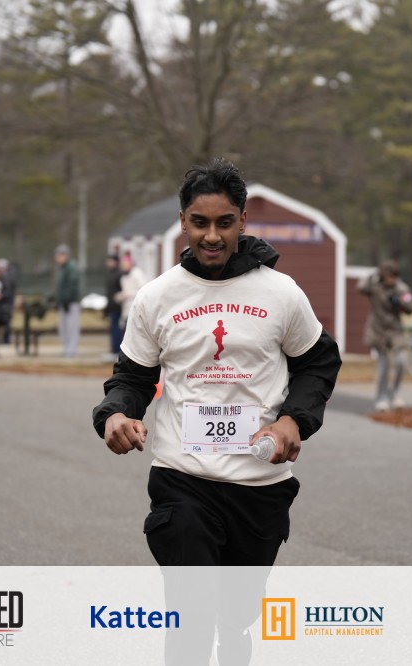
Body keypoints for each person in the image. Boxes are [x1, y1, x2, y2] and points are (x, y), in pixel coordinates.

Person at [91, 158, 341, 664]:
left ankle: (234, 634)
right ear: (183, 221)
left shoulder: (280, 293)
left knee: (235, 612)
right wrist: (114, 414)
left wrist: (293, 420)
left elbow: (318, 362)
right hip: (183, 478)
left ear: (242, 221)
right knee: (190, 613)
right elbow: (132, 378)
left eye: (224, 222)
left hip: (259, 485)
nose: (211, 236)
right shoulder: (157, 298)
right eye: (199, 222)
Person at [358, 259, 412, 411]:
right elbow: (361, 287)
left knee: (401, 362)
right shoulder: (375, 287)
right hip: (378, 330)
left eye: (394, 276)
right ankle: (381, 397)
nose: (392, 279)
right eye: (389, 276)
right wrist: (374, 275)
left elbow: (410, 308)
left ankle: (395, 393)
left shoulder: (401, 288)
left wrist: (400, 303)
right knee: (384, 365)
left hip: (395, 330)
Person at [53, 244, 81, 358]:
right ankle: (66, 348)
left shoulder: (71, 267)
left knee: (71, 327)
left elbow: (72, 286)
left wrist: (67, 299)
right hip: (64, 302)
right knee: (63, 327)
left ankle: (71, 350)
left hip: (71, 302)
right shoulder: (63, 268)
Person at [116, 252, 148, 330]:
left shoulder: (137, 273)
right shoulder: (123, 275)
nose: (123, 265)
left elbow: (144, 289)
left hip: (136, 309)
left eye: (125, 263)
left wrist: (127, 294)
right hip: (127, 310)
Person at [103, 253, 123, 361]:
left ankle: (117, 351)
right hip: (111, 306)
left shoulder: (119, 275)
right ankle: (113, 350)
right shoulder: (109, 274)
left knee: (117, 330)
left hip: (118, 307)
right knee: (112, 329)